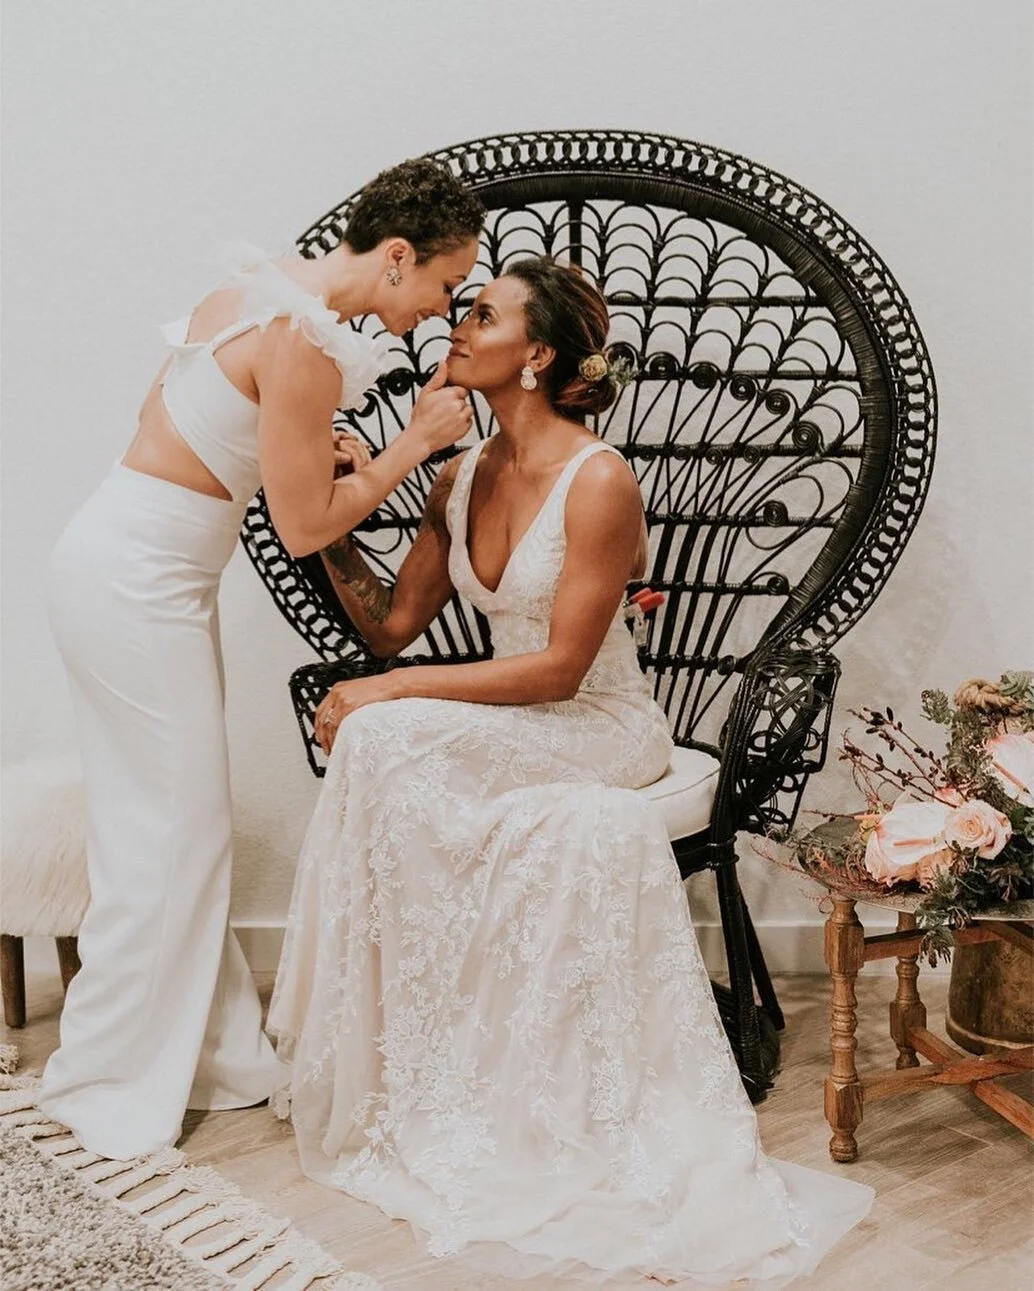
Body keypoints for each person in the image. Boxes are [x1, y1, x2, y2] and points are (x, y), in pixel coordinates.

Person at [268, 256, 875, 1286]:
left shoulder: (600, 481)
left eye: (482, 314)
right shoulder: (459, 475)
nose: (458, 326)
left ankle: (481, 1069)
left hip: (597, 720)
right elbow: (390, 625)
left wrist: (393, 692)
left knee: (383, 729)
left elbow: (557, 669)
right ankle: (428, 1062)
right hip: (517, 717)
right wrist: (333, 520)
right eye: (462, 309)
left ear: (537, 354)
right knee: (379, 737)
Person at [38, 158, 485, 1161]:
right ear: (397, 255)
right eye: (444, 284)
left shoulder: (259, 288)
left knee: (161, 826)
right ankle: (108, 1079)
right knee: (174, 834)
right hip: (139, 584)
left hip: (119, 562)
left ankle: (216, 1054)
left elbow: (187, 427)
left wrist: (308, 448)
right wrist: (412, 444)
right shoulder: (305, 344)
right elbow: (303, 526)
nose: (438, 310)